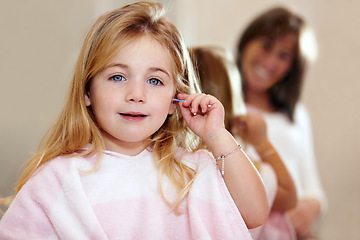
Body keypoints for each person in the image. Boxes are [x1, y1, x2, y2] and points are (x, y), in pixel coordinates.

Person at [0, 2, 269, 239]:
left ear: (175, 99)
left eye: (154, 81)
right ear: (87, 92)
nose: (136, 95)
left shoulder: (193, 170)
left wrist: (216, 135)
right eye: (118, 77)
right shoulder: (58, 179)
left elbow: (255, 213)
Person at [235, 6, 327, 239]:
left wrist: (312, 207)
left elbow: (312, 184)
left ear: (292, 67)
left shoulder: (295, 113)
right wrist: (286, 201)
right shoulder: (220, 107)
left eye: (283, 55)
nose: (270, 62)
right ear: (247, 41)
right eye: (266, 46)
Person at [190, 45, 297, 239]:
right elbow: (290, 197)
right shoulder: (257, 174)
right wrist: (263, 143)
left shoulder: (168, 163)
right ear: (234, 100)